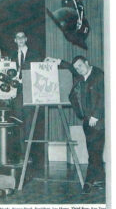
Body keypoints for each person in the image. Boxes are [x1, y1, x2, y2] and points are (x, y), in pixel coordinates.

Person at [45, 56, 105, 194]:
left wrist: (96, 115)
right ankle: (101, 178)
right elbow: (72, 68)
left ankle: (88, 182)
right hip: (86, 120)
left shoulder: (99, 75)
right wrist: (58, 61)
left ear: (87, 63)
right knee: (94, 150)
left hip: (98, 121)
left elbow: (104, 96)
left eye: (80, 66)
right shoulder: (82, 74)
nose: (78, 69)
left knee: (94, 152)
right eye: (77, 68)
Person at [10, 31, 42, 164]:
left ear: (26, 39)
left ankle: (29, 154)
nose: (20, 39)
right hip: (16, 93)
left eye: (23, 37)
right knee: (19, 124)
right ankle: (21, 154)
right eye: (18, 37)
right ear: (15, 40)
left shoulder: (34, 54)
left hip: (30, 92)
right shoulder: (11, 56)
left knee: (29, 124)